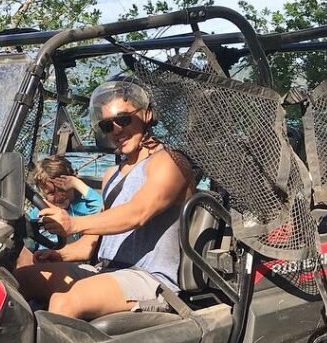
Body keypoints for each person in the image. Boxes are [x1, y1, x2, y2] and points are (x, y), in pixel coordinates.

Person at [15, 77, 194, 320]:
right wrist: (61, 255)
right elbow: (94, 242)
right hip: (105, 269)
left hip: (150, 278)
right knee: (21, 280)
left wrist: (73, 224)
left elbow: (138, 212)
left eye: (123, 119)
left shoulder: (169, 162)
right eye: (108, 125)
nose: (117, 130)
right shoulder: (112, 174)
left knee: (67, 300)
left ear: (148, 115)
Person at [16, 155, 102, 267]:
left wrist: (77, 183)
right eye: (51, 193)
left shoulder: (83, 205)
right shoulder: (38, 213)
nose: (58, 197)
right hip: (42, 261)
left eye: (62, 190)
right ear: (42, 192)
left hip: (73, 263)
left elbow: (100, 205)